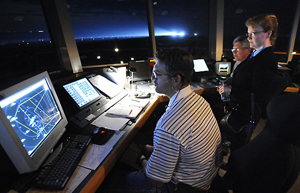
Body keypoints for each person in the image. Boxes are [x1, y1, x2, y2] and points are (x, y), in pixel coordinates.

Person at [99, 48, 222, 193]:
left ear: (176, 80)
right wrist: (155, 150)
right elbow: (183, 144)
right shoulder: (199, 101)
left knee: (113, 181)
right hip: (204, 178)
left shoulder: (169, 124)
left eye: (157, 74)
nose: (152, 78)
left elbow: (156, 181)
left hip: (182, 188)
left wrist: (143, 159)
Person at [213, 14, 279, 150]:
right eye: (248, 34)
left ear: (268, 34)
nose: (249, 38)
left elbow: (259, 94)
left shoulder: (265, 60)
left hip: (246, 115)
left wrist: (230, 91)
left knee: (238, 150)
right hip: (238, 108)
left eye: (253, 34)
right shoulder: (255, 55)